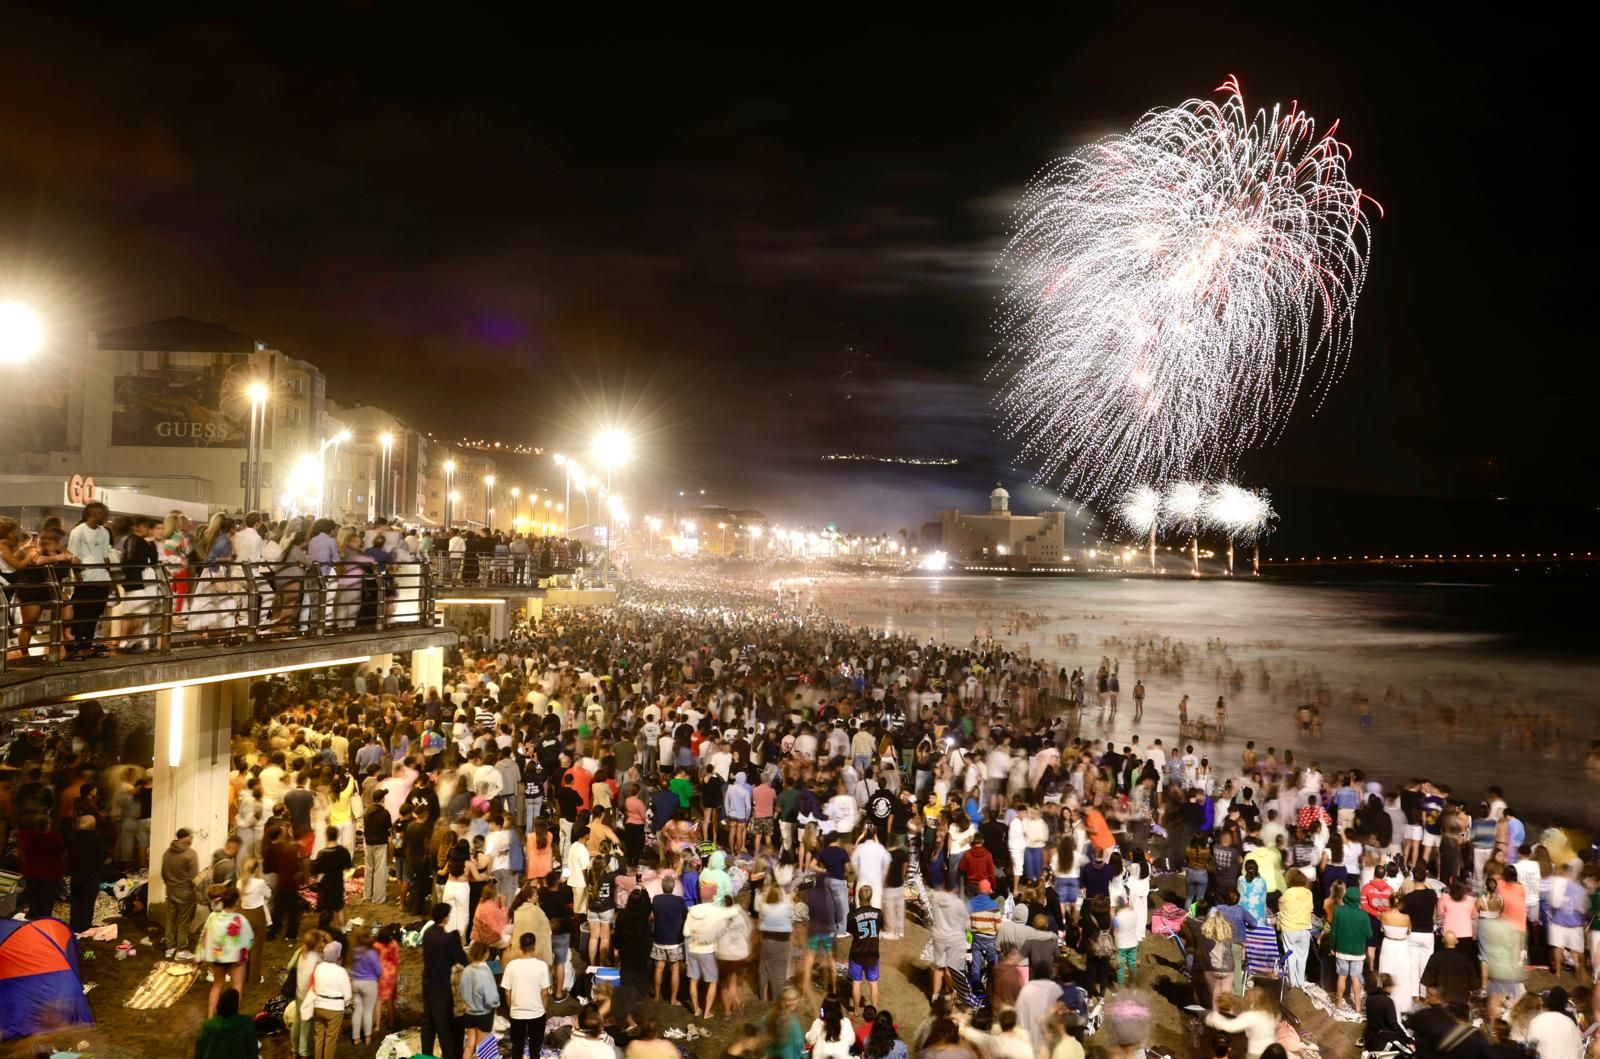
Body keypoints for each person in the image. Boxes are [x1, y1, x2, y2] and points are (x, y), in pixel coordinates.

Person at [195, 886, 255, 1017]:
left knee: (217, 985)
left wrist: (199, 957)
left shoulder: (212, 917)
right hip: (236, 959)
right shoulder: (240, 919)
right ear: (236, 902)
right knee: (237, 986)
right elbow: (249, 940)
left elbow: (204, 936)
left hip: (217, 957)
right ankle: (232, 1017)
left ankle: (210, 1017)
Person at [421, 901, 468, 1059]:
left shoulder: (428, 933)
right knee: (443, 1027)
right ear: (446, 917)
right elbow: (461, 959)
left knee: (428, 1023)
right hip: (441, 987)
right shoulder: (447, 939)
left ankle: (426, 1054)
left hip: (428, 983)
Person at [503, 931, 553, 1059]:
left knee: (517, 1049)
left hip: (517, 1013)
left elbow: (507, 993)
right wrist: (544, 1009)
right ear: (534, 946)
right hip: (537, 1013)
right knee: (535, 1049)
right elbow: (545, 993)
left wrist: (511, 1008)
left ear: (520, 946)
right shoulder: (541, 966)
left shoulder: (511, 966)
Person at [305, 938, 352, 1059]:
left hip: (318, 1006)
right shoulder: (341, 972)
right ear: (337, 956)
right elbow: (348, 996)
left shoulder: (318, 968)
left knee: (319, 1037)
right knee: (330, 1040)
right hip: (334, 1010)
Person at [1204, 987, 1281, 1059]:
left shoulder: (1251, 1016)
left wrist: (1212, 1018)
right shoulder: (1270, 1013)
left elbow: (1230, 1026)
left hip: (1256, 1054)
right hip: (1271, 1051)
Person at [65, 814, 108, 934]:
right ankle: (85, 925)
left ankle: (74, 924)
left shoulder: (73, 837)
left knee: (76, 900)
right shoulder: (96, 838)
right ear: (93, 825)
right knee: (88, 901)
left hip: (76, 874)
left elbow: (68, 855)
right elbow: (103, 854)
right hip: (91, 874)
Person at [163, 827, 201, 958]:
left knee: (170, 919)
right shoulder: (190, 854)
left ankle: (169, 948)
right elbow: (194, 878)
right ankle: (181, 950)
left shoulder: (167, 853)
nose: (192, 840)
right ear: (187, 838)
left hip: (171, 890)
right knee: (184, 921)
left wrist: (171, 885)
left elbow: (164, 874)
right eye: (191, 837)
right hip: (185, 893)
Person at [460, 940, 501, 1059]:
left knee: (469, 1045)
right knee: (481, 1048)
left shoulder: (466, 970)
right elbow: (491, 998)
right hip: (483, 1013)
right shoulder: (485, 971)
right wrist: (497, 1002)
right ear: (485, 954)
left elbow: (461, 991)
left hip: (468, 1012)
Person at [193, 987, 260, 1059]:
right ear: (236, 1006)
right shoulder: (246, 1023)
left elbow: (199, 1052)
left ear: (218, 1006)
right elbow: (252, 1052)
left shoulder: (207, 1026)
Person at [848, 884, 883, 1010]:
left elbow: (850, 931)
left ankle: (856, 1010)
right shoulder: (879, 913)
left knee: (856, 983)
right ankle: (873, 1008)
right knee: (873, 983)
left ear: (858, 897)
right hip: (873, 954)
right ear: (871, 897)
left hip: (857, 954)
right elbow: (881, 927)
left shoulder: (852, 915)